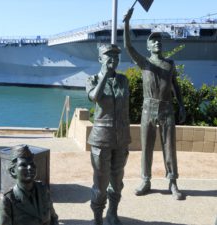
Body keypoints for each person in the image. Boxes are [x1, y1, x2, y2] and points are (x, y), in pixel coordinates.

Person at [123, 8, 186, 200]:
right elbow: (128, 46)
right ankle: (145, 180)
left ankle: (173, 181)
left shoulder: (170, 64)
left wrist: (182, 105)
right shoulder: (144, 63)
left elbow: (175, 86)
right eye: (153, 40)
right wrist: (126, 23)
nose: (157, 42)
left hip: (167, 108)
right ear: (148, 46)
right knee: (146, 147)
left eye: (159, 40)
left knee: (169, 147)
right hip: (148, 108)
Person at [86, 43, 131, 225]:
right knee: (101, 183)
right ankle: (97, 218)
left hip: (121, 138)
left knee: (117, 181)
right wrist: (104, 74)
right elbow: (95, 97)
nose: (114, 59)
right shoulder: (93, 79)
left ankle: (112, 213)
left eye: (117, 56)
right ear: (100, 59)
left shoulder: (123, 80)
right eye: (108, 56)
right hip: (101, 138)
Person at [0, 145, 59, 225]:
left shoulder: (43, 190)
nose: (30, 167)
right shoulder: (7, 200)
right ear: (13, 171)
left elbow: (53, 218)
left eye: (32, 164)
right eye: (23, 165)